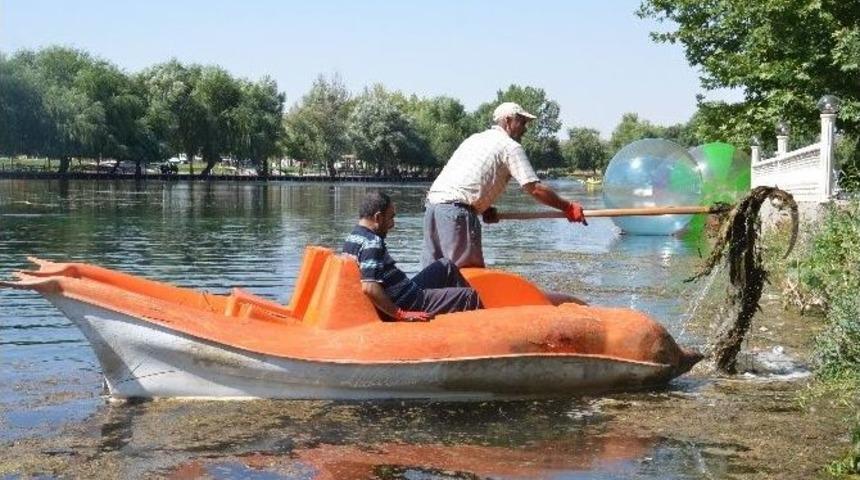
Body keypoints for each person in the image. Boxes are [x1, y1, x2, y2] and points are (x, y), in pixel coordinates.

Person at [422, 102, 588, 268]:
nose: (525, 128)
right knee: (467, 277)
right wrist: (568, 207)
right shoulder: (510, 147)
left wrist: (482, 208)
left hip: (433, 207)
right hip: (456, 212)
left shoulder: (474, 140)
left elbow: (463, 180)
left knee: (432, 278)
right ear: (508, 121)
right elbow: (534, 189)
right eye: (522, 122)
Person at [343, 191, 483, 322]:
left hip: (408, 292)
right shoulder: (372, 243)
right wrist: (400, 314)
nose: (392, 224)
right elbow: (369, 287)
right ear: (377, 217)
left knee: (446, 266)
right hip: (411, 302)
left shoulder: (353, 237)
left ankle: (456, 314)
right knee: (469, 296)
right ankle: (484, 326)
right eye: (391, 217)